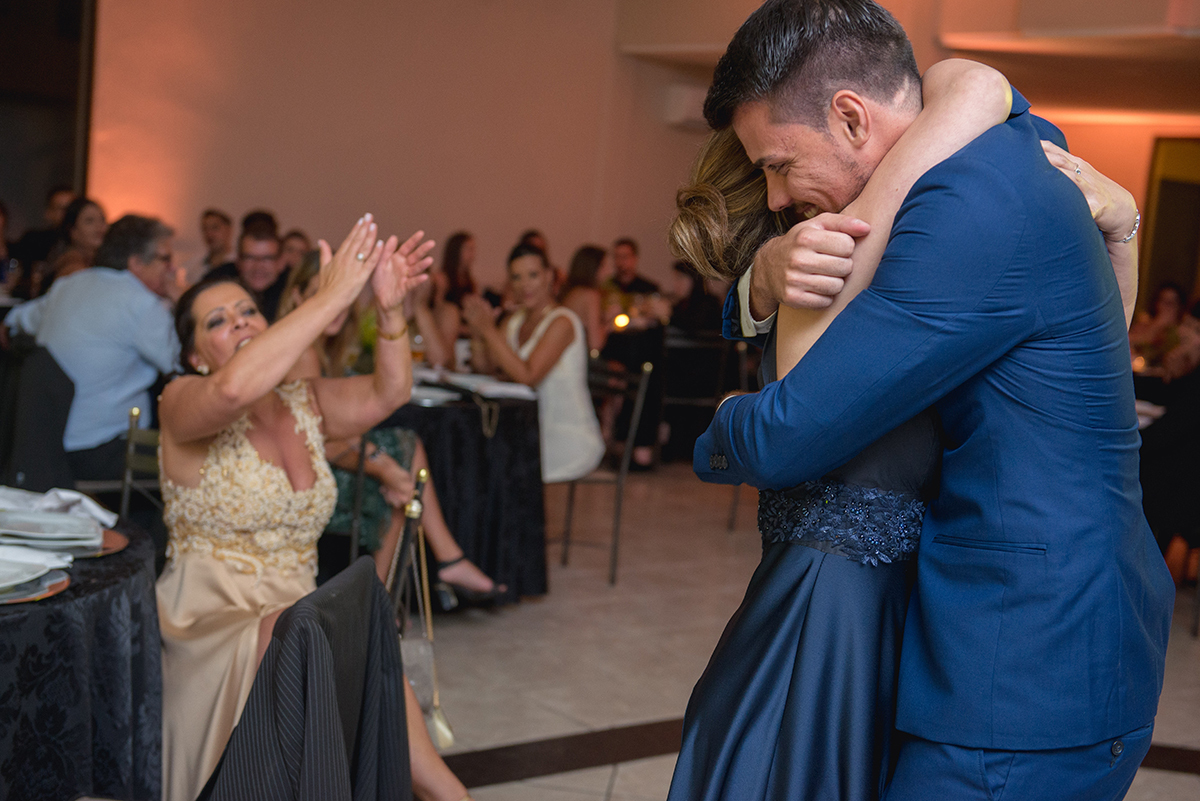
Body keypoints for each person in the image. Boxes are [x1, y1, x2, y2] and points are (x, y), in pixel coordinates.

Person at [689, 3, 1172, 801]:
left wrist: (713, 430)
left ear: (850, 116)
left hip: (1025, 672)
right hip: (1030, 642)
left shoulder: (969, 208)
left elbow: (786, 435)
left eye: (777, 163)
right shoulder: (994, 151)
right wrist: (765, 279)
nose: (776, 197)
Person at [155, 216, 437, 799]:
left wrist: (388, 310)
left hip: (295, 607)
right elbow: (233, 391)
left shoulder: (304, 400)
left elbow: (391, 392)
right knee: (308, 631)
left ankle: (445, 789)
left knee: (345, 621)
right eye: (218, 321)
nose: (239, 323)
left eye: (247, 312)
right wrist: (332, 293)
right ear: (195, 354)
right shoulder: (182, 401)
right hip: (210, 620)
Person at [277, 250, 504, 599]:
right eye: (323, 295)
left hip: (324, 460)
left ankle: (383, 600)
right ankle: (418, 577)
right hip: (297, 477)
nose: (336, 307)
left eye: (343, 296)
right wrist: (382, 466)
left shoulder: (327, 348)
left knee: (402, 462)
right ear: (297, 297)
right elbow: (315, 442)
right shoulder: (304, 353)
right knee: (402, 463)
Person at [4, 214, 178, 480]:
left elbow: (16, 321)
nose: (172, 269)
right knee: (190, 459)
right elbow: (183, 365)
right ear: (136, 263)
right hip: (104, 452)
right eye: (165, 259)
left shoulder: (68, 286)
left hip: (45, 446)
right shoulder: (141, 304)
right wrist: (184, 302)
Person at [463, 243, 604, 483]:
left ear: (549, 276)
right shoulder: (514, 321)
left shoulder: (563, 321)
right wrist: (478, 332)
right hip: (525, 429)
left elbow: (528, 376)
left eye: (533, 275)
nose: (525, 284)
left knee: (492, 463)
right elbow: (485, 369)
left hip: (564, 435)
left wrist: (488, 331)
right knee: (473, 454)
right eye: (517, 277)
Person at [559, 244, 612, 352]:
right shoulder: (590, 295)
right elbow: (595, 344)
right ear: (592, 268)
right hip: (581, 359)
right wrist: (609, 323)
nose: (608, 271)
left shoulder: (572, 292)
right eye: (603, 266)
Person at [46, 197, 107, 285]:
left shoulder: (95, 263)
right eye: (89, 221)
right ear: (72, 230)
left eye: (102, 220)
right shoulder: (71, 268)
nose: (100, 227)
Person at [1129, 281, 1186, 370]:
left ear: (1179, 307)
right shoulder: (1145, 323)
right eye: (1163, 301)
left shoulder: (1183, 331)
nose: (1166, 308)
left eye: (1171, 303)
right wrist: (1156, 326)